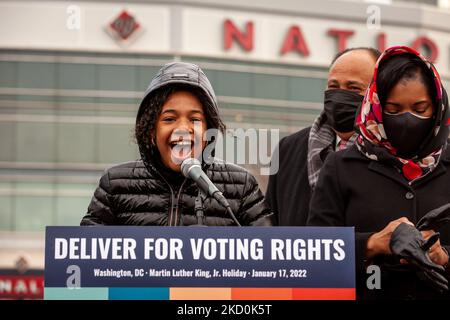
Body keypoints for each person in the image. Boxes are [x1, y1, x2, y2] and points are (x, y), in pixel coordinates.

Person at [307, 46, 450, 299]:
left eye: (420, 109)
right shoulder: (342, 166)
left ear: (437, 108)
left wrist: (443, 255)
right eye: (393, 110)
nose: (407, 119)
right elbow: (315, 252)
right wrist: (374, 243)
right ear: (375, 108)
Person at [81, 61, 274, 226]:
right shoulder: (114, 185)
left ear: (209, 132)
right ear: (151, 132)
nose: (182, 128)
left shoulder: (241, 187)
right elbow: (86, 257)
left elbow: (270, 257)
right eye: (169, 119)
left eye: (195, 119)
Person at [265, 47, 380, 225]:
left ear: (376, 94)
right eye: (333, 86)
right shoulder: (288, 149)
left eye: (353, 88)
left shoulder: (390, 152)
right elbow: (271, 226)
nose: (340, 95)